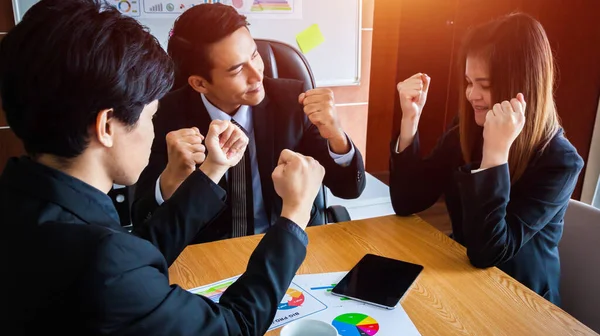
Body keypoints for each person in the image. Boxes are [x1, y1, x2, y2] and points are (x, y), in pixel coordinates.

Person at [0, 0, 326, 336]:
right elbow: (230, 334)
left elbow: (132, 255)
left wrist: (211, 172)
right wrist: (293, 217)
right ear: (106, 126)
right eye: (150, 117)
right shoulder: (98, 261)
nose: (154, 131)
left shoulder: (27, 204)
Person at [389, 13, 584, 304]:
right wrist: (409, 122)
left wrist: (495, 154)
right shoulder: (467, 129)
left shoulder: (560, 162)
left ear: (524, 85)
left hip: (523, 301)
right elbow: (406, 201)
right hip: (463, 280)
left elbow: (489, 252)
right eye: (469, 82)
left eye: (485, 84)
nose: (472, 95)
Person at [132, 3, 366, 243]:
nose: (257, 75)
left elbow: (349, 189)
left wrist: (336, 135)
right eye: (236, 70)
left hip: (285, 242)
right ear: (200, 84)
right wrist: (170, 181)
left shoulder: (291, 101)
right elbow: (143, 220)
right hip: (208, 255)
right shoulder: (167, 116)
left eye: (254, 55)